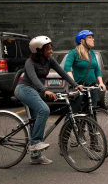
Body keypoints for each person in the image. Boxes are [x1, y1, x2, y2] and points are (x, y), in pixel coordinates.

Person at [14, 36, 82, 165]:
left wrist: (75, 84)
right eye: (48, 49)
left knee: (37, 121)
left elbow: (62, 73)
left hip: (35, 92)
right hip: (24, 89)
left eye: (51, 48)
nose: (51, 51)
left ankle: (35, 157)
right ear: (39, 50)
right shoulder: (30, 62)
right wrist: (45, 90)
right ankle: (35, 143)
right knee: (44, 110)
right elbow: (33, 79)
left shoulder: (49, 60)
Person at [64, 30, 106, 117]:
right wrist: (74, 83)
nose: (93, 39)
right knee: (73, 112)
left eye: (92, 37)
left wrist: (101, 83)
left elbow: (97, 70)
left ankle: (93, 130)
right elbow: (67, 67)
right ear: (82, 40)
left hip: (92, 87)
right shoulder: (74, 53)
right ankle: (66, 129)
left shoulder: (92, 53)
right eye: (90, 37)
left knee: (92, 112)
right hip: (79, 87)